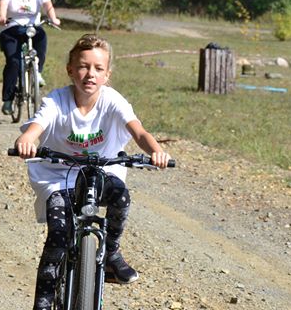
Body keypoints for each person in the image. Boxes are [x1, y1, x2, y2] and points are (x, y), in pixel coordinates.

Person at [14, 34, 172, 310]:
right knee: (58, 236)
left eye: (98, 68)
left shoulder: (113, 101)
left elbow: (139, 132)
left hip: (102, 171)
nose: (90, 74)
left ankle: (111, 253)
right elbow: (37, 127)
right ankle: (43, 303)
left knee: (120, 197)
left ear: (107, 75)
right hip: (59, 176)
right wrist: (26, 140)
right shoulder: (57, 101)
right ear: (70, 70)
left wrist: (156, 151)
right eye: (83, 66)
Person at [0, 0, 61, 115]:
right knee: (13, 62)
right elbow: (3, 2)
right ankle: (8, 99)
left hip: (32, 27)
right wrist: (2, 16)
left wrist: (53, 18)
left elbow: (47, 4)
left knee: (42, 37)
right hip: (11, 26)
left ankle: (37, 72)